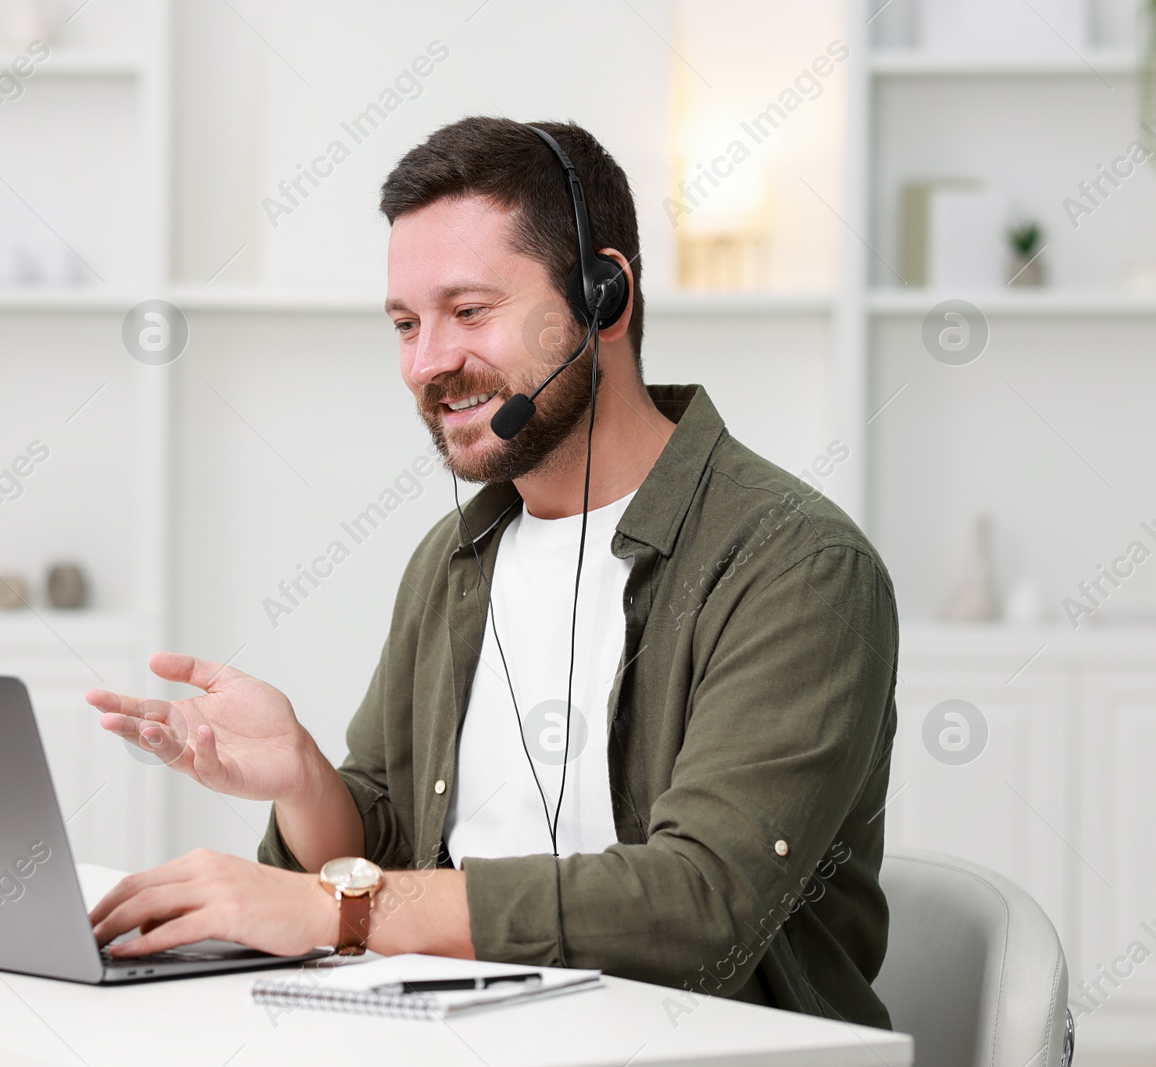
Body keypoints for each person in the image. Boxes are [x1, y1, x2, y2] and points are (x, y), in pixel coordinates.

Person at [86, 116, 898, 1028]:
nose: (428, 363)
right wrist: (306, 780)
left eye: (469, 311)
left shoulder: (795, 564)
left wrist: (339, 910)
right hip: (458, 1034)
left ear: (604, 297)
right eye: (405, 324)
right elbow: (390, 839)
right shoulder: (456, 559)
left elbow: (700, 903)